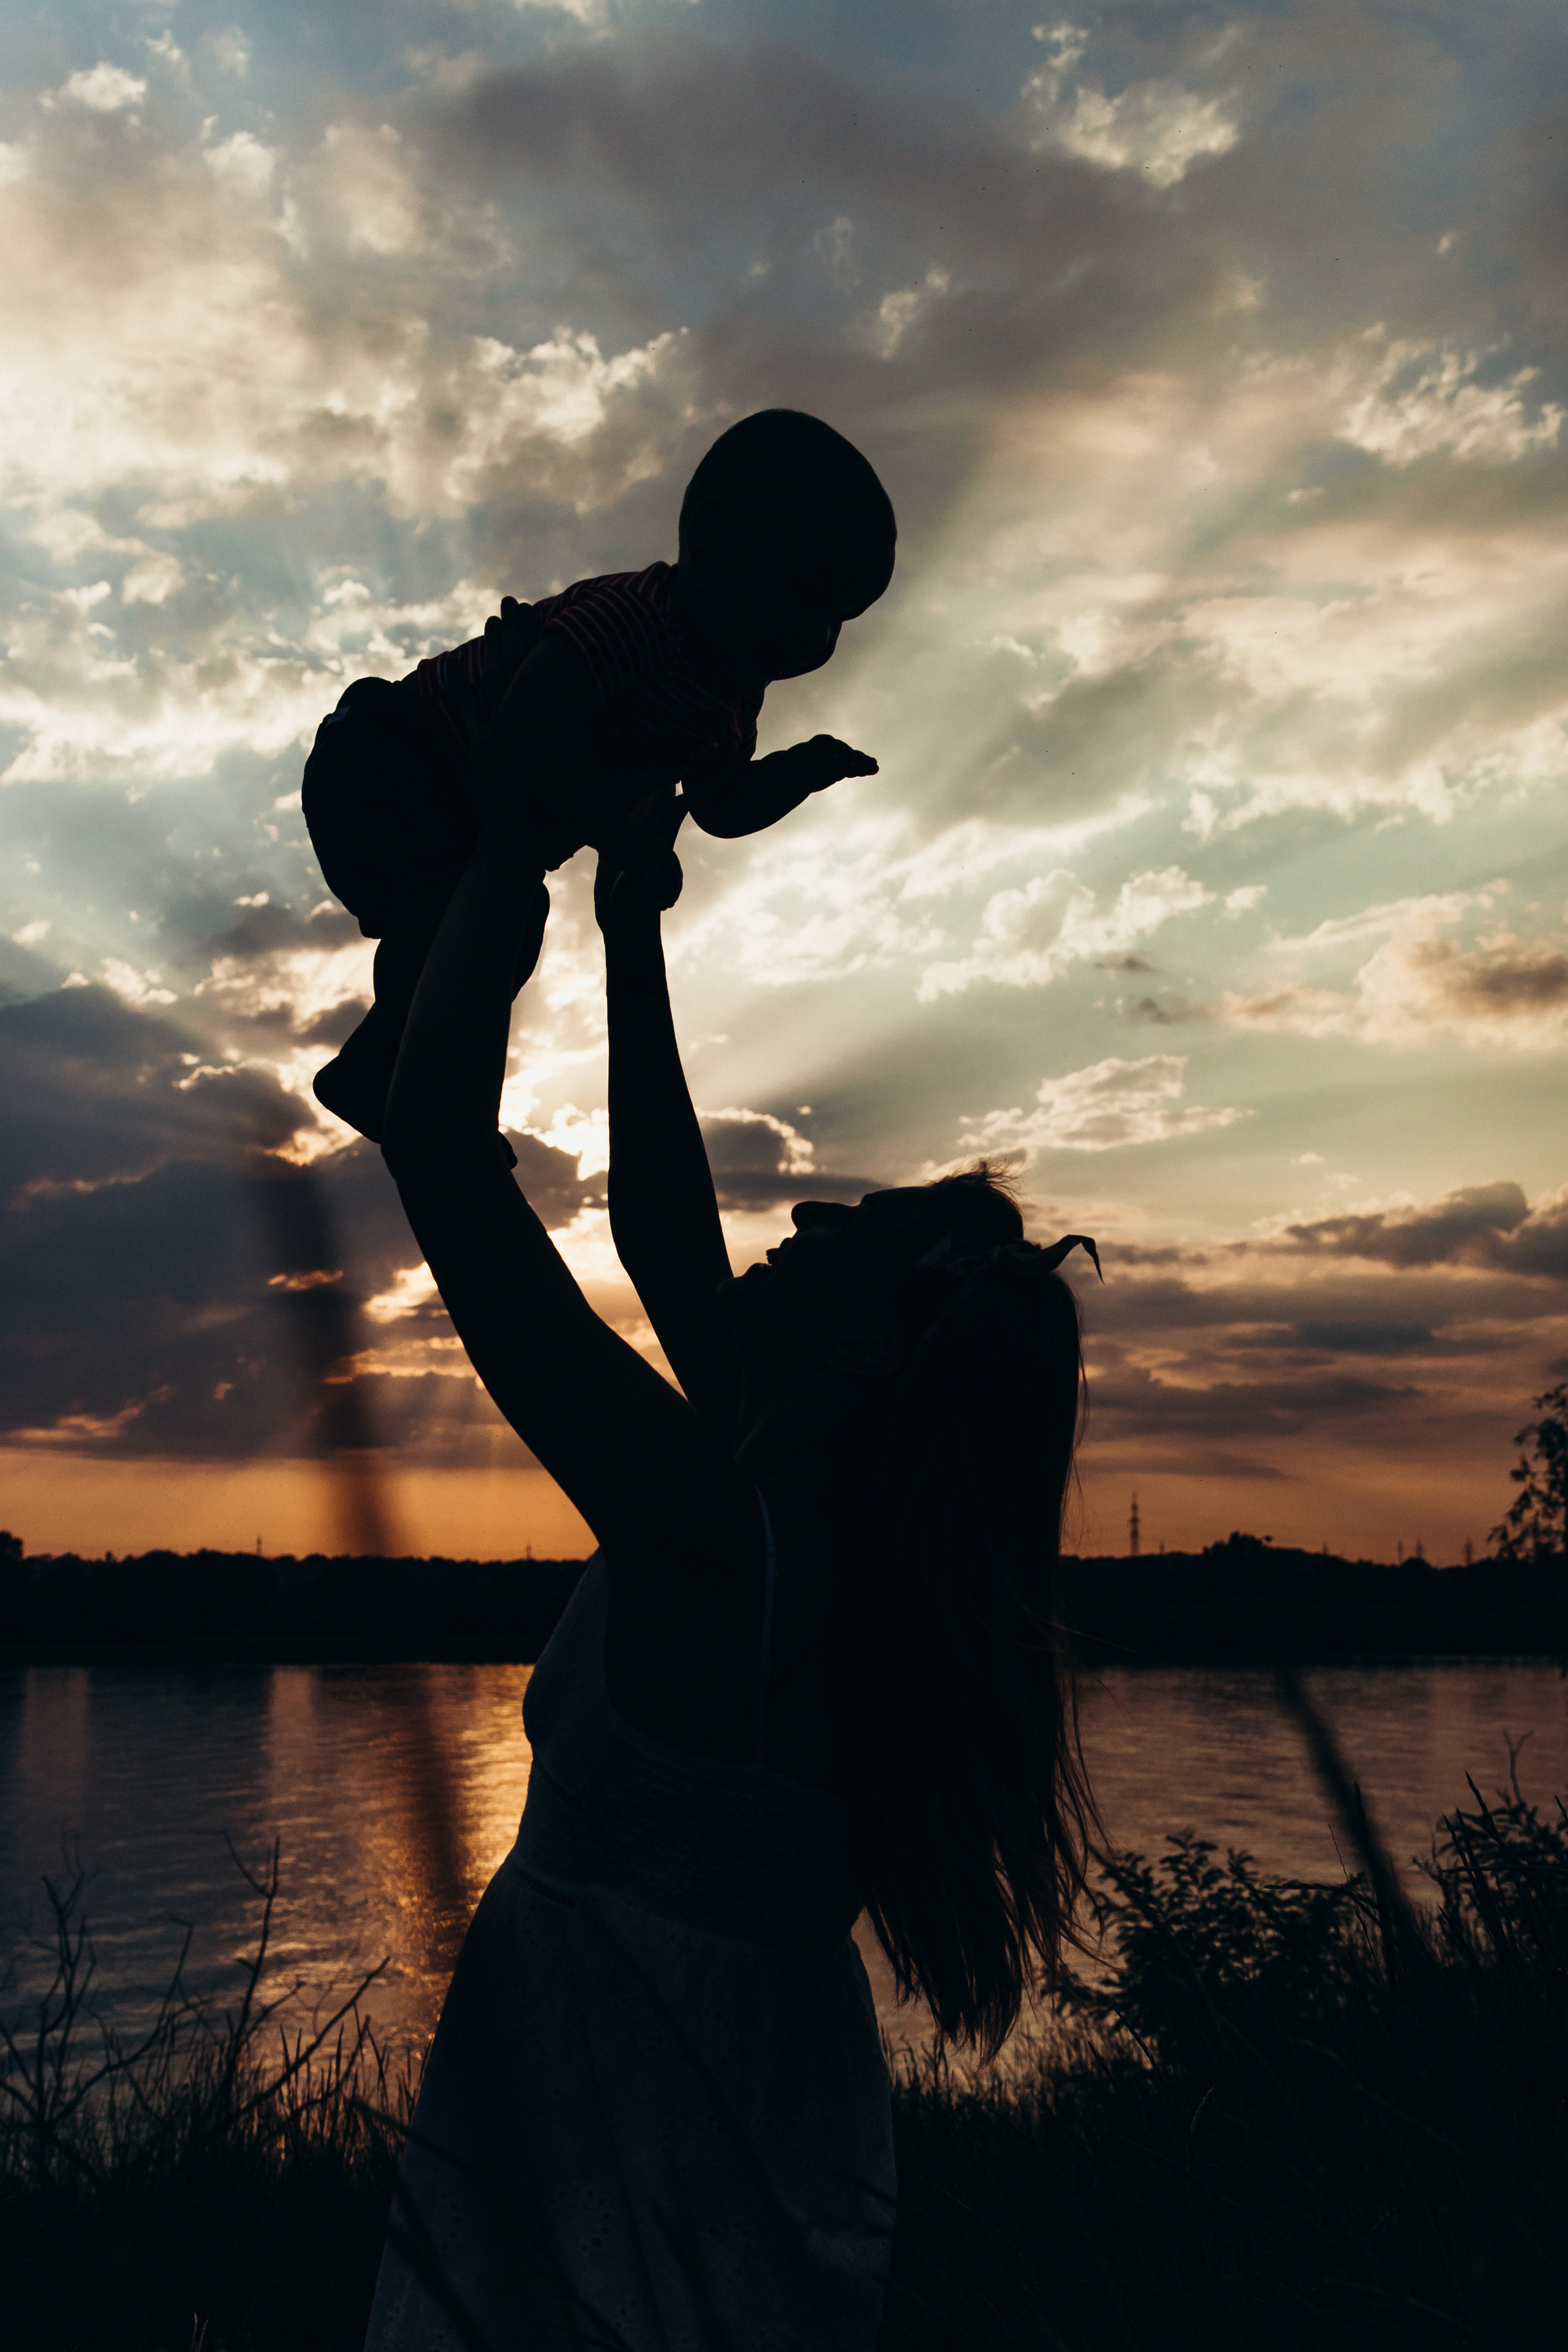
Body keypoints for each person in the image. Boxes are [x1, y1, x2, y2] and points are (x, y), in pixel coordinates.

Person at [362, 633, 1102, 2352]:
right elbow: (657, 1228)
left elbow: (441, 1155)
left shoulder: (715, 1541)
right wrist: (629, 928)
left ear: (862, 1352)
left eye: (843, 1233)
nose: (804, 1219)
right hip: (740, 2132)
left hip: (595, 2148)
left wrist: (507, 842)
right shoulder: (800, 1534)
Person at [303, 409, 895, 1144]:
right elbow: (533, 721)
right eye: (806, 598)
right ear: (709, 541)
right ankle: (387, 1076)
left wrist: (797, 772)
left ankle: (379, 1065)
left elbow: (717, 806)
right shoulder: (638, 617)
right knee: (453, 913)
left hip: (463, 811)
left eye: (840, 621)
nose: (817, 639)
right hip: (391, 758)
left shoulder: (729, 701)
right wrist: (621, 838)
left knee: (503, 926)